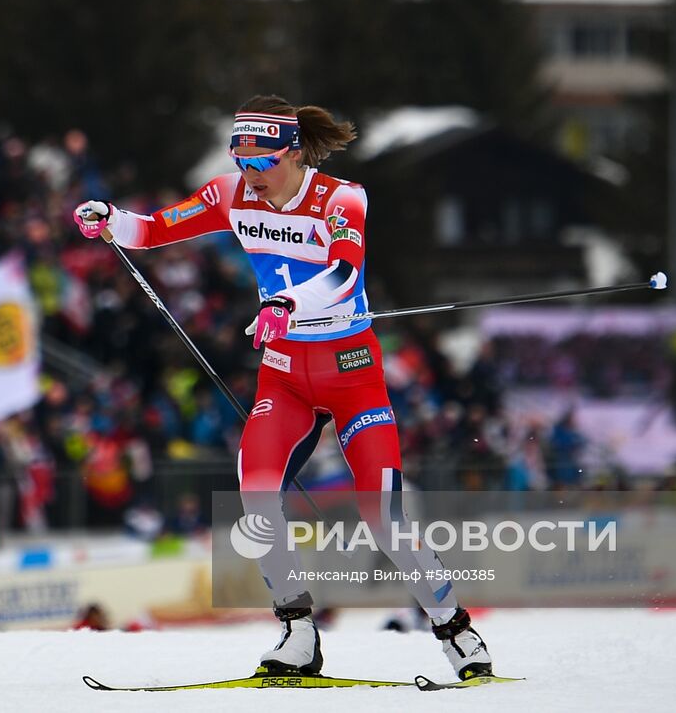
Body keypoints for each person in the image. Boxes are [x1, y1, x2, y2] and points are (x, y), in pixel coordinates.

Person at [73, 95, 493, 682]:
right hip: (285, 373)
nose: (252, 175)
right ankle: (298, 631)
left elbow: (345, 273)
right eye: (241, 160)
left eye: (264, 161)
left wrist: (284, 301)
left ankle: (456, 631)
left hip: (351, 372)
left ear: (292, 152)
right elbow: (151, 230)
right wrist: (110, 220)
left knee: (384, 516)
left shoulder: (342, 198)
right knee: (258, 489)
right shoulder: (230, 194)